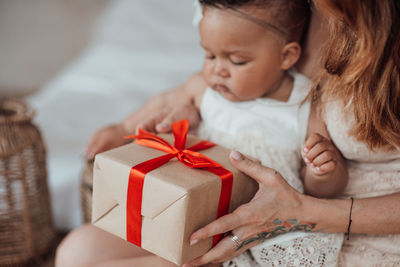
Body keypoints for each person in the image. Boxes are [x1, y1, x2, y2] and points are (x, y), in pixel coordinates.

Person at [56, 0, 400, 266]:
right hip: (185, 204)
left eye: (237, 61)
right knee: (76, 249)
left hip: (252, 226)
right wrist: (121, 128)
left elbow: (320, 191)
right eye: (208, 55)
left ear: (287, 56)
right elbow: (162, 102)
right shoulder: (204, 87)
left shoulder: (304, 106)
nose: (217, 70)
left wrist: (322, 169)